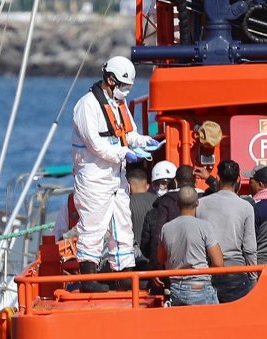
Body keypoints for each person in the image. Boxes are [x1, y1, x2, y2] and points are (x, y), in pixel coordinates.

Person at [72, 56, 159, 292]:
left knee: (123, 224)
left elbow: (129, 134)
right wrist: (125, 154)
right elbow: (97, 146)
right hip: (94, 178)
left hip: (116, 178)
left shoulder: (118, 105)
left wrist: (145, 142)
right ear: (110, 80)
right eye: (123, 87)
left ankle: (125, 273)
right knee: (93, 226)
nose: (126, 92)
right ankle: (88, 278)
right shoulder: (87, 106)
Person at [197, 160, 257, 303]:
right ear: (238, 180)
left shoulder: (200, 204)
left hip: (207, 272)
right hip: (236, 273)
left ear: (217, 178)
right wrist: (253, 278)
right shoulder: (246, 207)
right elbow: (250, 248)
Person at [157, 186, 224, 306]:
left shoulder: (166, 228)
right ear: (197, 203)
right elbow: (218, 262)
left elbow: (161, 258)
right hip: (200, 287)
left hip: (176, 289)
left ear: (177, 204)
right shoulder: (205, 226)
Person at [127, 167, 157, 268]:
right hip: (156, 260)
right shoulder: (158, 201)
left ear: (128, 186)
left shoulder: (125, 203)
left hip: (133, 261)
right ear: (147, 185)